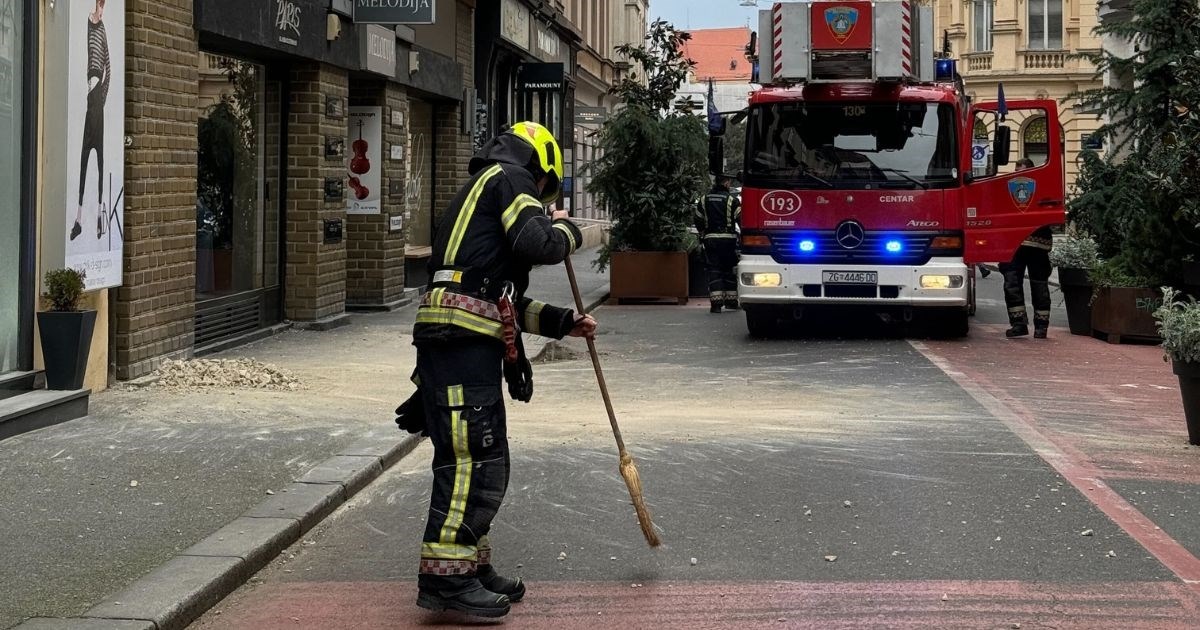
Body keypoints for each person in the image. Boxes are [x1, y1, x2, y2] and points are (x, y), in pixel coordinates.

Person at [393, 121, 595, 619]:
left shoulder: (483, 188)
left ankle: (472, 564)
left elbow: (500, 300)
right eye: (547, 190)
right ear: (543, 167)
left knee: (481, 455)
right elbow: (538, 242)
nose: (543, 198)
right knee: (472, 460)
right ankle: (446, 581)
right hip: (460, 347)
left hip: (456, 343)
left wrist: (563, 322)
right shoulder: (510, 178)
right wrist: (571, 229)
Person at [999, 157, 1053, 338]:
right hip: (1017, 245)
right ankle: (1019, 324)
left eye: (1022, 171)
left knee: (1038, 284)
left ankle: (1041, 326)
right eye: (1017, 171)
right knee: (1012, 284)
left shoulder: (1038, 186)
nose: (1019, 175)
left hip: (1036, 243)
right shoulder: (1012, 187)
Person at [71, 0, 111, 241]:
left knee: (99, 160)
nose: (100, 8)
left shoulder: (103, 29)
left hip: (96, 98)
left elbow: (109, 66)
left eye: (102, 4)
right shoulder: (91, 23)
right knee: (85, 158)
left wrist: (99, 96)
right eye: (99, 3)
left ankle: (96, 216)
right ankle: (79, 219)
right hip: (90, 96)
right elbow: (91, 21)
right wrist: (92, 93)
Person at [696, 174, 741, 313]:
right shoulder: (732, 200)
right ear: (726, 183)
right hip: (728, 240)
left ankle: (716, 305)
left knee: (714, 269)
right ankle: (731, 302)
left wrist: (703, 232)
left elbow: (698, 220)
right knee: (729, 269)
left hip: (711, 239)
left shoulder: (704, 199)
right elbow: (740, 219)